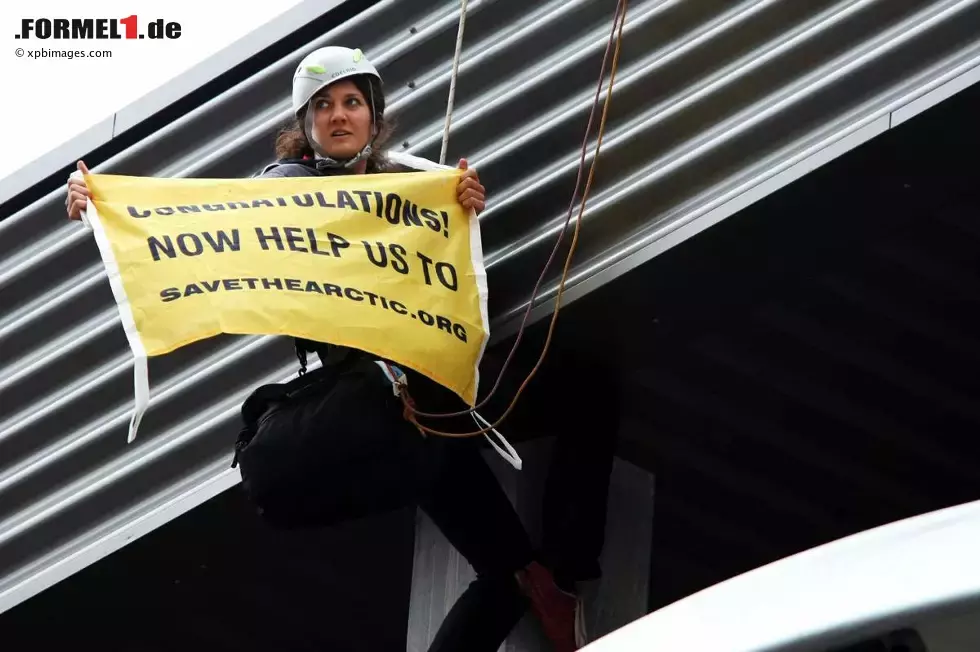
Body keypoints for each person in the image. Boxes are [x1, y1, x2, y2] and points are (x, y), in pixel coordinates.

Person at [66, 45, 617, 652]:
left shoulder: (407, 186)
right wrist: (103, 205)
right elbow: (213, 218)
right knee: (570, 422)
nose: (338, 115)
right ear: (305, 127)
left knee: (517, 564)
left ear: (373, 118)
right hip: (387, 404)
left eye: (352, 102)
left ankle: (559, 579)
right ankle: (555, 578)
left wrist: (461, 208)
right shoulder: (291, 187)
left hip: (432, 399)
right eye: (322, 106)